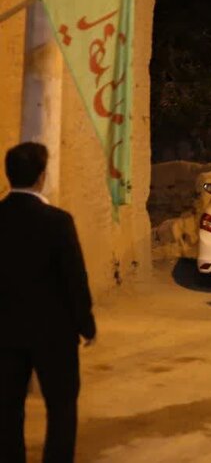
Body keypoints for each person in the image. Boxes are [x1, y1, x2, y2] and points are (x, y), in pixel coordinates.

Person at [0, 143, 96, 463]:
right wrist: (86, 324)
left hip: (5, 332)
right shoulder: (57, 221)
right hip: (53, 334)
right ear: (41, 176)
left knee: (7, 409)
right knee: (62, 407)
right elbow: (74, 278)